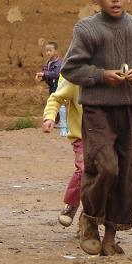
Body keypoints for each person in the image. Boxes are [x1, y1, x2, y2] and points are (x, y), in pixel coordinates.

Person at [61, 0, 132, 256]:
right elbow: (71, 68)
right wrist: (102, 75)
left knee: (128, 174)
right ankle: (90, 218)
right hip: (98, 110)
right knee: (105, 167)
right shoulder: (87, 29)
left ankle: (111, 235)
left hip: (130, 108)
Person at [42, 76, 83, 227]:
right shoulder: (75, 78)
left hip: (106, 136)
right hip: (81, 135)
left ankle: (88, 218)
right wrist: (50, 117)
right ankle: (72, 203)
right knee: (84, 169)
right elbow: (56, 98)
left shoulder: (110, 75)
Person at [36, 42, 65, 133]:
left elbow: (56, 74)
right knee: (52, 102)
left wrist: (44, 74)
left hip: (57, 86)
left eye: (50, 50)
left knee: (59, 103)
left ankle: (62, 122)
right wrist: (41, 77)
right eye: (46, 51)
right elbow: (46, 72)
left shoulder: (59, 63)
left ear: (56, 51)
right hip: (52, 86)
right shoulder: (49, 62)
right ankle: (55, 121)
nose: (48, 53)